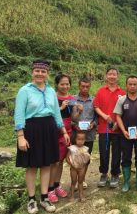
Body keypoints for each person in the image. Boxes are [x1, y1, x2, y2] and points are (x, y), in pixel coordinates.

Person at [14, 60, 70, 214]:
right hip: (31, 130)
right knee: (32, 166)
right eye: (37, 71)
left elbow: (57, 114)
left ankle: (44, 197)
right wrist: (20, 136)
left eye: (43, 71)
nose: (40, 74)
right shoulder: (24, 91)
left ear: (47, 74)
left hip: (49, 129)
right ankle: (31, 200)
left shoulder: (51, 91)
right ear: (32, 72)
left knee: (46, 164)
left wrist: (64, 131)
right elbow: (19, 114)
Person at [48, 73, 83, 203]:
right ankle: (49, 188)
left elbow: (74, 118)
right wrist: (60, 108)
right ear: (57, 84)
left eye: (67, 84)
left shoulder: (71, 98)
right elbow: (48, 115)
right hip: (55, 130)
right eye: (62, 84)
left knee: (61, 160)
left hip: (68, 131)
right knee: (54, 161)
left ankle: (57, 185)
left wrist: (79, 110)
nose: (65, 86)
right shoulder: (52, 97)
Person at [113, 75, 137, 192]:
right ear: (126, 85)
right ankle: (126, 182)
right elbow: (118, 116)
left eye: (135, 84)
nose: (132, 86)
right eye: (130, 84)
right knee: (126, 158)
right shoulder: (121, 100)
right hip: (125, 135)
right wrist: (123, 131)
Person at [94, 67, 125, 188]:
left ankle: (115, 174)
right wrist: (105, 116)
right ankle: (103, 173)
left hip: (117, 128)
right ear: (106, 76)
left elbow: (124, 110)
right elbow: (96, 106)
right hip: (103, 128)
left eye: (114, 74)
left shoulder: (122, 93)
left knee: (117, 152)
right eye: (110, 74)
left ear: (117, 76)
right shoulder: (100, 91)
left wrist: (118, 122)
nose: (112, 76)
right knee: (103, 151)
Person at [71, 76, 97, 188]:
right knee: (76, 157)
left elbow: (97, 116)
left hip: (89, 134)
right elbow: (68, 117)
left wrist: (94, 124)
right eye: (83, 86)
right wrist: (74, 125)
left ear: (90, 86)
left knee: (86, 157)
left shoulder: (94, 100)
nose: (85, 88)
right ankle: (75, 181)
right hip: (76, 134)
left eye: (87, 86)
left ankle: (83, 179)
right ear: (79, 86)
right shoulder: (73, 99)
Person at [66, 132, 90, 202]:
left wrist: (85, 160)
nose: (80, 141)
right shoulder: (72, 148)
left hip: (82, 168)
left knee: (80, 181)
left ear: (85, 140)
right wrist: (71, 164)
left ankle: (81, 195)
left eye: (82, 139)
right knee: (73, 182)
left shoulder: (86, 149)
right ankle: (72, 195)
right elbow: (67, 158)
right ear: (75, 139)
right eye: (79, 139)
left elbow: (87, 158)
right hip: (73, 168)